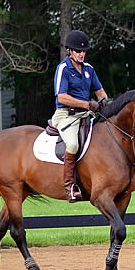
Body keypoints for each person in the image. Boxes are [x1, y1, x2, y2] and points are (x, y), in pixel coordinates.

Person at [52, 30, 108, 201]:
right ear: (69, 50)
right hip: (66, 115)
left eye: (84, 51)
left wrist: (104, 101)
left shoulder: (89, 69)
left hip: (86, 114)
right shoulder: (63, 69)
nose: (82, 54)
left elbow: (99, 91)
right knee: (73, 144)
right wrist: (86, 104)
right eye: (78, 51)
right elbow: (61, 96)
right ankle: (69, 187)